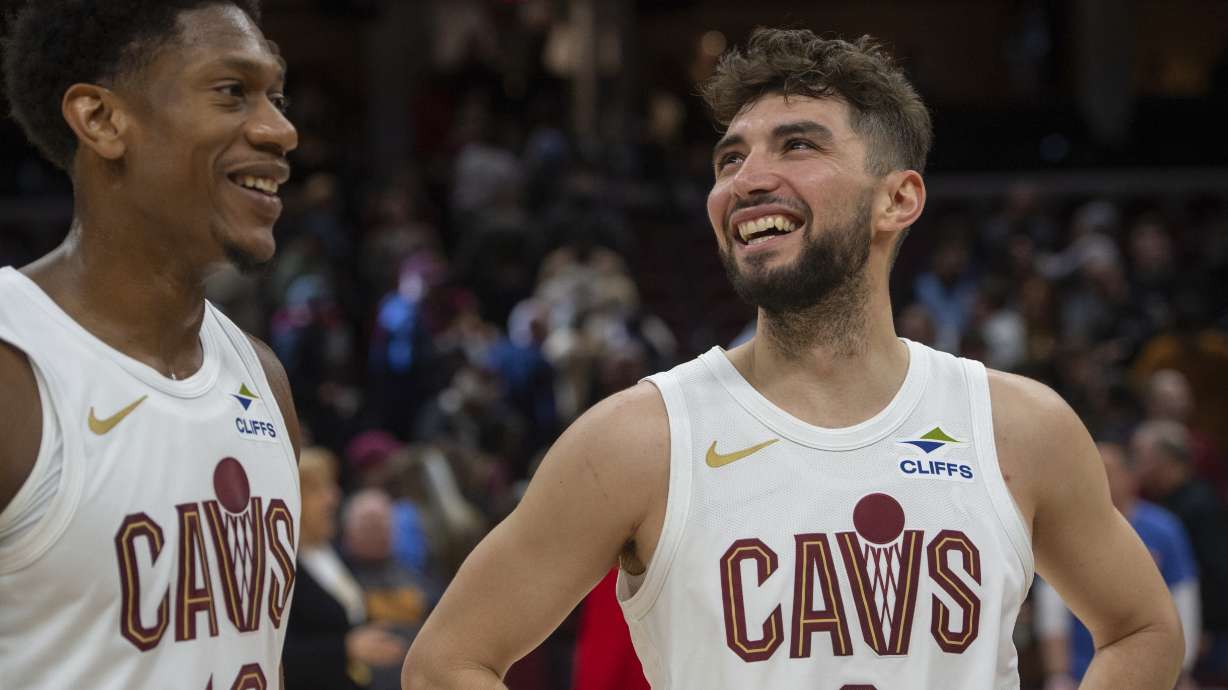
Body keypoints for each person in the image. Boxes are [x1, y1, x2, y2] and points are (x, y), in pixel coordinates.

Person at [402, 29, 1183, 689]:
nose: (747, 180)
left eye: (797, 145)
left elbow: (1144, 629)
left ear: (898, 199)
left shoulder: (1021, 427)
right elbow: (446, 662)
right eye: (729, 159)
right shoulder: (637, 440)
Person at [0, 2, 303, 688]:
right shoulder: (15, 367)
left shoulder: (261, 377)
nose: (280, 130)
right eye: (233, 91)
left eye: (277, 98)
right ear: (102, 120)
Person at [1034, 441, 1200, 689]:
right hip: (1083, 670)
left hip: (1152, 669)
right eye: (1090, 471)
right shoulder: (1067, 530)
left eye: (1108, 472)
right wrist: (1057, 673)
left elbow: (1184, 598)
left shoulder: (1164, 529)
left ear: (1130, 476)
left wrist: (1182, 668)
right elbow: (1052, 606)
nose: (1099, 479)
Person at [285, 449, 409, 690]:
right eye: (319, 489)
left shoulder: (329, 550)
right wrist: (346, 648)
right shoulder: (282, 565)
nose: (334, 497)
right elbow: (280, 653)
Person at [1132, 420, 1228, 682]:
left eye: (1141, 455)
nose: (1135, 464)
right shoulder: (1159, 502)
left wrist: (1205, 628)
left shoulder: (1200, 505)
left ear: (1165, 460)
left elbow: (1216, 572)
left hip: (1206, 634)